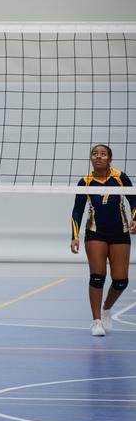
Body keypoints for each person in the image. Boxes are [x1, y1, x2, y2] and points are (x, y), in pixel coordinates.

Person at [70, 144, 136, 336]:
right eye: (95, 154)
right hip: (95, 232)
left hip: (120, 232)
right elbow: (77, 210)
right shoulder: (85, 181)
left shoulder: (120, 177)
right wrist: (74, 236)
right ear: (91, 158)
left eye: (103, 154)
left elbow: (134, 201)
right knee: (97, 276)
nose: (98, 157)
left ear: (109, 159)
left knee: (121, 281)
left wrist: (135, 218)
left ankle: (107, 309)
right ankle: (96, 321)